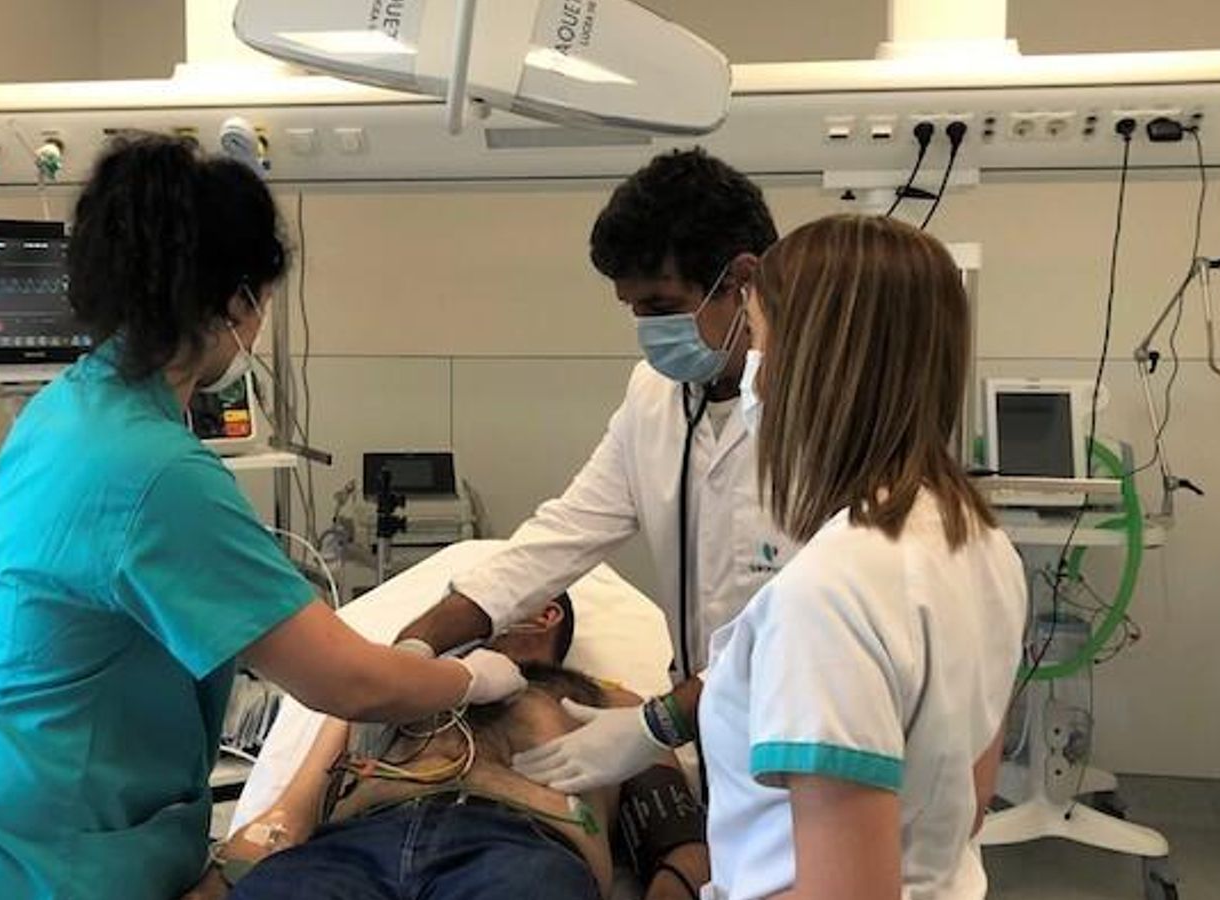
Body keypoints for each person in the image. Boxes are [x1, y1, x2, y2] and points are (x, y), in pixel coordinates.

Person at [0, 134, 525, 900]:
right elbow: (351, 682)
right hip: (34, 861)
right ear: (236, 300)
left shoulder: (60, 413)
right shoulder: (156, 473)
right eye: (257, 300)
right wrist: (467, 677)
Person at [396, 149, 788, 794]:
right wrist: (416, 645)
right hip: (718, 745)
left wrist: (656, 725)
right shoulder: (654, 397)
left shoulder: (824, 417)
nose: (647, 330)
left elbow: (801, 630)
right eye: (633, 310)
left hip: (806, 733)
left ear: (742, 280)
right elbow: (563, 535)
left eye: (661, 306)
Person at [698, 214, 1028, 900]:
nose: (751, 378)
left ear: (813, 363)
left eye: (757, 337)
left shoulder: (831, 592)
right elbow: (967, 799)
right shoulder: (980, 540)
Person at [201, 594, 709, 900]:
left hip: (518, 848)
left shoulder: (609, 700)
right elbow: (292, 811)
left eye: (475, 609)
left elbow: (677, 839)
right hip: (350, 850)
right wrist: (224, 878)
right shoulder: (393, 693)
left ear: (545, 613)